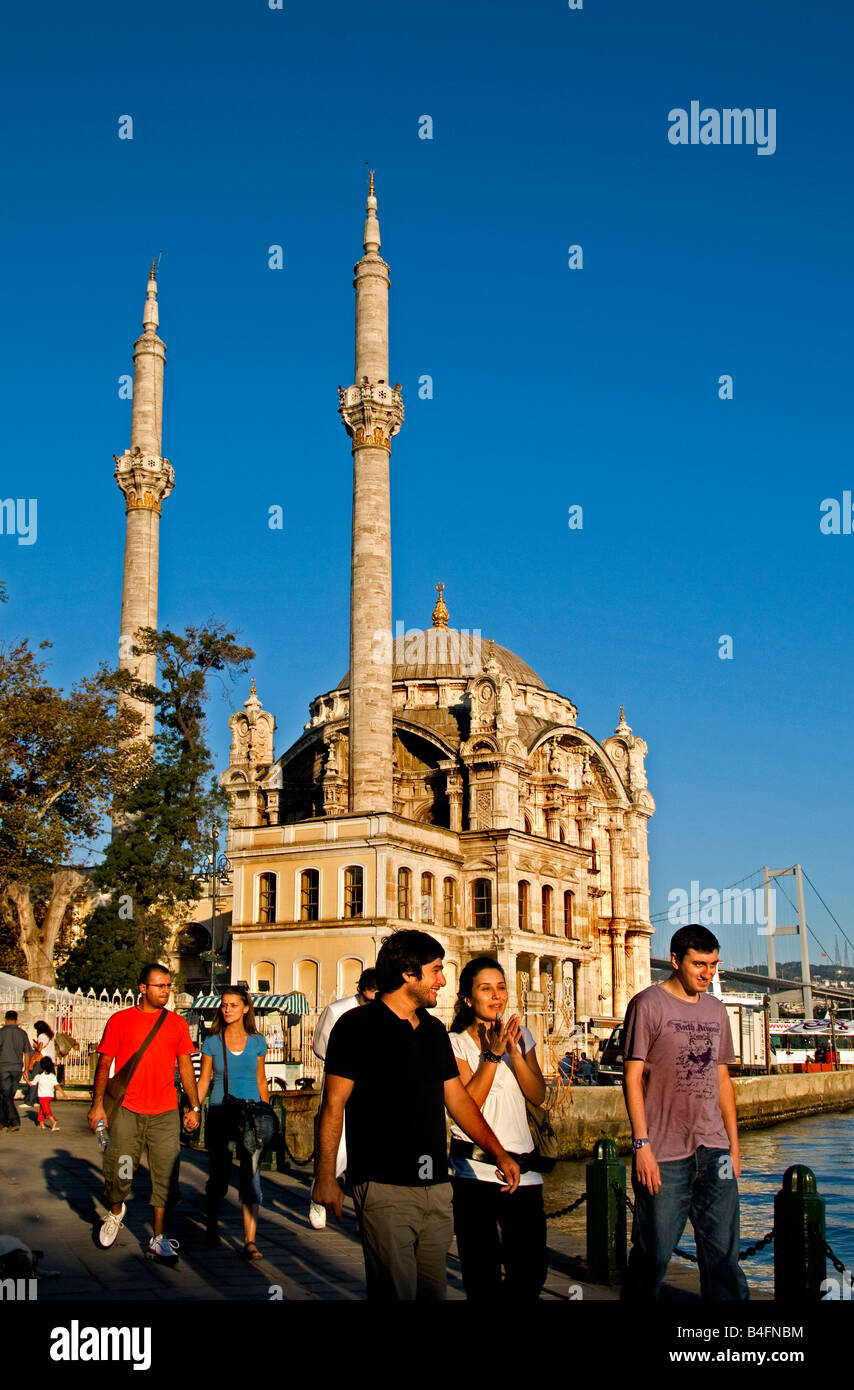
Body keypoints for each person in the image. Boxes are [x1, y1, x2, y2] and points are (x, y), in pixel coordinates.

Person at [312, 929, 521, 1301]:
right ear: (409, 974)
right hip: (383, 1185)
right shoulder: (356, 1027)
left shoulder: (434, 1030)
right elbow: (333, 1106)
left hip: (436, 1187)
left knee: (431, 1292)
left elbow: (457, 1101)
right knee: (395, 1290)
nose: (443, 980)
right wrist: (325, 1177)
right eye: (436, 970)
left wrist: (498, 1151)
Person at [621, 923, 749, 1301]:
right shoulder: (647, 1004)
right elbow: (630, 1079)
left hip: (715, 1151)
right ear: (675, 961)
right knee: (653, 1255)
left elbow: (723, 1080)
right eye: (699, 964)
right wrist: (641, 1145)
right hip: (663, 1153)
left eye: (713, 964)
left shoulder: (716, 1009)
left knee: (724, 1258)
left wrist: (734, 1149)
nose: (707, 973)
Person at [448, 955, 548, 1301]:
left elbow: (537, 1094)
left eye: (501, 988)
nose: (496, 996)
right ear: (467, 998)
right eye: (486, 989)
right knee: (482, 1275)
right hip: (474, 1170)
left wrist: (515, 1053)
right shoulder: (455, 1043)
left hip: (524, 1169)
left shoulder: (521, 1037)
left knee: (531, 1272)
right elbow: (467, 1104)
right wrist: (491, 1055)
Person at [88, 963, 201, 1261]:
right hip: (127, 1109)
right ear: (143, 988)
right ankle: (115, 1210)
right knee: (120, 1169)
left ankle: (159, 1236)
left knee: (165, 1173)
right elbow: (104, 1064)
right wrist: (98, 1104)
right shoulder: (120, 1021)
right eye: (159, 986)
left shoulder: (176, 1024)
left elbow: (186, 1066)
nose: (166, 991)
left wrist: (194, 1105)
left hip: (165, 1112)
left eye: (168, 986)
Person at [198, 984, 272, 1260]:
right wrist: (194, 1107)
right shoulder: (213, 1042)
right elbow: (204, 1079)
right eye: (224, 1004)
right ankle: (212, 1223)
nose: (227, 1009)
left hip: (251, 1115)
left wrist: (267, 1112)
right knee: (219, 1174)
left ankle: (250, 1240)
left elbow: (261, 1080)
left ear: (245, 1008)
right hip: (220, 1112)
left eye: (233, 1005)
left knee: (251, 1175)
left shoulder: (257, 1042)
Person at [308, 967, 378, 1230]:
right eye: (370, 995)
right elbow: (320, 1046)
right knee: (336, 1150)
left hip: (372, 1087)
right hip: (342, 1082)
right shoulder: (337, 1010)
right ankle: (319, 1195)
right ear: (361, 990)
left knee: (370, 1152)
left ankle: (365, 1212)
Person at [0, 1010, 32, 1132]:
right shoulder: (22, 1033)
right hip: (17, 1069)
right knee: (6, 1096)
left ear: (5, 1019)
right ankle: (2, 1121)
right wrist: (26, 1070)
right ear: (16, 1019)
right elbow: (27, 1053)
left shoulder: (1, 1033)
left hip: (4, 1068)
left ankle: (14, 1121)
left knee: (6, 1096)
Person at [25, 1020, 56, 1106]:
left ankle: (30, 1101)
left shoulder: (41, 1036)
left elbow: (40, 1048)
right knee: (42, 1080)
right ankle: (38, 1100)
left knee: (34, 1079)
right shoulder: (50, 1036)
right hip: (50, 1060)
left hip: (41, 1060)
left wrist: (35, 1045)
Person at [34, 1057, 68, 1131]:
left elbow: (31, 1083)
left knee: (46, 1110)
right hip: (50, 1096)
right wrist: (63, 1094)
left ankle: (53, 1123)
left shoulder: (39, 1076)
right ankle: (41, 1124)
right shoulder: (52, 1076)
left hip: (42, 1096)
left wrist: (26, 1078)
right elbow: (57, 1086)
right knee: (42, 1109)